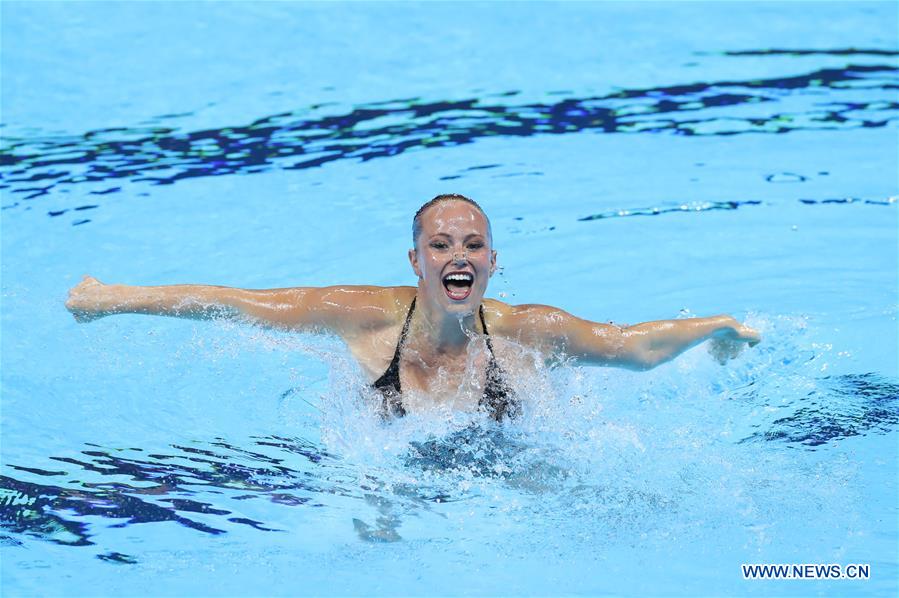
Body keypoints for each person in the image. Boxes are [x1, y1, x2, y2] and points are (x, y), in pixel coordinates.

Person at [66, 193, 760, 421]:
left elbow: (631, 347)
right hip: (390, 474)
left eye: (473, 245)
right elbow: (235, 304)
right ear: (416, 260)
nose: (459, 256)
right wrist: (112, 300)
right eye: (441, 244)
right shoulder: (361, 313)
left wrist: (720, 328)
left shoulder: (527, 330)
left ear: (492, 263)